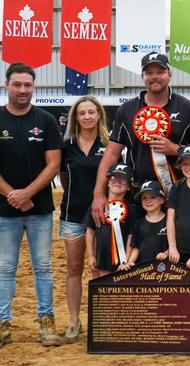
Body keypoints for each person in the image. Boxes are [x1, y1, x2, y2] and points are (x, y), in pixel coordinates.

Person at [91, 52, 190, 227]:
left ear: (170, 74)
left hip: (180, 193)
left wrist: (176, 150)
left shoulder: (188, 109)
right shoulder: (126, 110)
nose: (154, 77)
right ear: (142, 76)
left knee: (180, 248)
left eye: (160, 71)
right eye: (149, 73)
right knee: (141, 249)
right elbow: (112, 153)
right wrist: (99, 193)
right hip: (140, 195)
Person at [0, 62, 63, 347]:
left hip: (39, 210)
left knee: (43, 267)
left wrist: (27, 194)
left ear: (34, 86)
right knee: (4, 269)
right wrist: (12, 194)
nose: (23, 90)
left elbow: (54, 164)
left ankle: (46, 321)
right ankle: (3, 324)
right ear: (7, 85)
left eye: (28, 85)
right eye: (17, 84)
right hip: (4, 210)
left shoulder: (46, 120)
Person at [58, 96, 109, 343]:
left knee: (101, 268)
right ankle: (73, 321)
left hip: (102, 218)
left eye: (91, 112)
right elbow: (63, 179)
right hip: (73, 215)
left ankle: (101, 320)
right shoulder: (65, 146)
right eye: (82, 113)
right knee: (75, 268)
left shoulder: (109, 145)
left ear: (99, 114)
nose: (87, 116)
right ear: (75, 118)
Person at [85, 163, 135, 277]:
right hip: (101, 259)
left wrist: (126, 259)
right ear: (107, 183)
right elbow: (90, 231)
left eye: (123, 179)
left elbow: (131, 236)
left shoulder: (131, 210)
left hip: (122, 264)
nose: (117, 181)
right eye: (113, 177)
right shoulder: (97, 206)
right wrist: (91, 255)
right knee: (100, 291)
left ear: (128, 186)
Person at [120, 180, 168, 270]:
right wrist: (130, 262)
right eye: (144, 198)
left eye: (153, 197)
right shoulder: (139, 223)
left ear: (162, 200)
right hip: (143, 270)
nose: (148, 201)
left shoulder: (169, 221)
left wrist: (166, 253)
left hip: (164, 268)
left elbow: (176, 245)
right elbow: (136, 247)